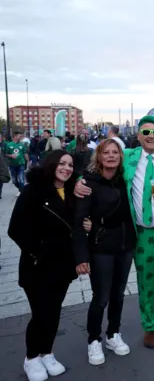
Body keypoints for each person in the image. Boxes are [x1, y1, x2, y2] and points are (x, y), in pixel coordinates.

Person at [75, 116, 154, 349]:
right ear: (138, 136)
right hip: (143, 232)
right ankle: (151, 327)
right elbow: (99, 171)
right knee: (146, 282)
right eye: (146, 132)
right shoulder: (128, 159)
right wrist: (78, 181)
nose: (151, 136)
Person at [8, 150, 90, 381]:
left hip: (63, 266)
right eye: (62, 163)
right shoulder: (33, 191)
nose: (66, 168)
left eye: (71, 165)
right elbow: (15, 229)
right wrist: (38, 253)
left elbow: (75, 224)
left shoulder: (72, 192)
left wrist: (87, 223)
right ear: (51, 164)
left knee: (53, 312)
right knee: (41, 313)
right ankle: (31, 357)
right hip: (37, 266)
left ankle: (47, 352)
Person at [73, 139, 136, 366]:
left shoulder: (125, 180)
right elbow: (79, 222)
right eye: (106, 153)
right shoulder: (88, 183)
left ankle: (113, 334)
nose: (111, 156)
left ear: (121, 157)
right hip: (101, 249)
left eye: (115, 153)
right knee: (101, 297)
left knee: (118, 295)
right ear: (98, 157)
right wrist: (81, 257)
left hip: (125, 246)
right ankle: (93, 339)